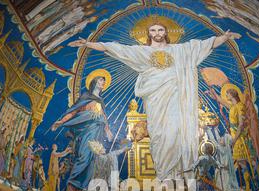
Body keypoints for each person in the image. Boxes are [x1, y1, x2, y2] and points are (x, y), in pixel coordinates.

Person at [69, 23, 241, 181]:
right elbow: (116, 49)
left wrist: (224, 38)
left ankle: (178, 176)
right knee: (158, 135)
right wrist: (88, 44)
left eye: (160, 29)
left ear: (165, 32)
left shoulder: (180, 50)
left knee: (175, 132)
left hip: (175, 100)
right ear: (148, 34)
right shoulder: (142, 52)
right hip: (155, 102)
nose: (157, 33)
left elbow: (205, 45)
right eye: (153, 30)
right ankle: (164, 175)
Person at [52, 75, 113, 191]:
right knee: (84, 157)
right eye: (101, 80)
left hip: (97, 132)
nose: (103, 83)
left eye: (104, 81)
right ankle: (71, 185)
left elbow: (103, 116)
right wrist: (62, 121)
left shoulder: (100, 101)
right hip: (86, 131)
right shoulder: (85, 97)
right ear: (94, 82)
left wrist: (108, 130)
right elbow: (74, 111)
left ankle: (82, 188)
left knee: (92, 160)